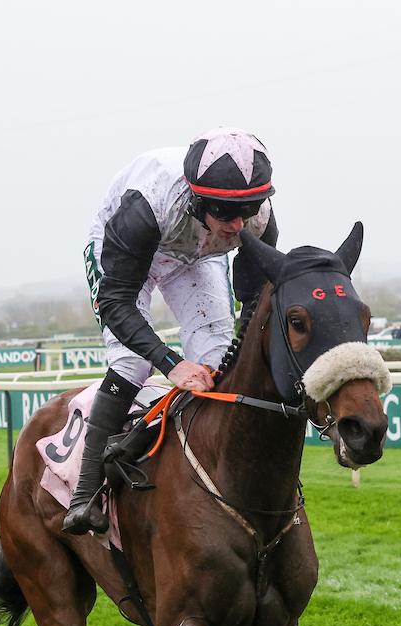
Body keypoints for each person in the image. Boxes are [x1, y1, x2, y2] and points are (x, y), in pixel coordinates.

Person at [64, 127, 280, 534]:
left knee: (215, 362)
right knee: (132, 364)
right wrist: (171, 364)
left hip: (196, 255)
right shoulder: (144, 206)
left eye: (248, 210)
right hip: (128, 249)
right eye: (227, 213)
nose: (239, 225)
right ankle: (86, 492)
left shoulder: (258, 219)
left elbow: (253, 300)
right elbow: (116, 303)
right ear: (199, 201)